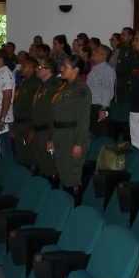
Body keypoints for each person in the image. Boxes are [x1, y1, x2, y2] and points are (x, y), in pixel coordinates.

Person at [48, 56, 91, 201]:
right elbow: (55, 116)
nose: (61, 69)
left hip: (72, 136)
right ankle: (65, 207)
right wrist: (51, 138)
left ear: (76, 70)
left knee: (72, 176)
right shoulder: (63, 87)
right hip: (60, 135)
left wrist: (79, 143)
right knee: (62, 172)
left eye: (65, 67)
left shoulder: (81, 89)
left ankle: (74, 207)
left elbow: (84, 118)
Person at [28, 59, 62, 179]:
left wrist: (52, 137)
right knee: (41, 163)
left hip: (48, 131)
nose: (37, 69)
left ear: (49, 70)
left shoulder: (55, 86)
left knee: (50, 165)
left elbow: (55, 113)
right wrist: (33, 128)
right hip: (38, 131)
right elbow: (36, 110)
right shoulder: (41, 86)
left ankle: (53, 191)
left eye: (40, 67)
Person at [11, 56, 41, 165]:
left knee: (28, 153)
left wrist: (33, 128)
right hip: (19, 123)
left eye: (24, 66)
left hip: (27, 124)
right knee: (21, 153)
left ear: (32, 68)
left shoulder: (36, 83)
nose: (21, 69)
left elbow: (36, 108)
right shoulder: (24, 82)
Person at [86, 45, 116, 137]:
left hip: (99, 107)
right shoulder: (95, 68)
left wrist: (104, 109)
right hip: (91, 106)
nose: (93, 52)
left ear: (103, 55)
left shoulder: (107, 70)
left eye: (96, 51)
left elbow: (108, 90)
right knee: (92, 134)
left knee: (100, 135)